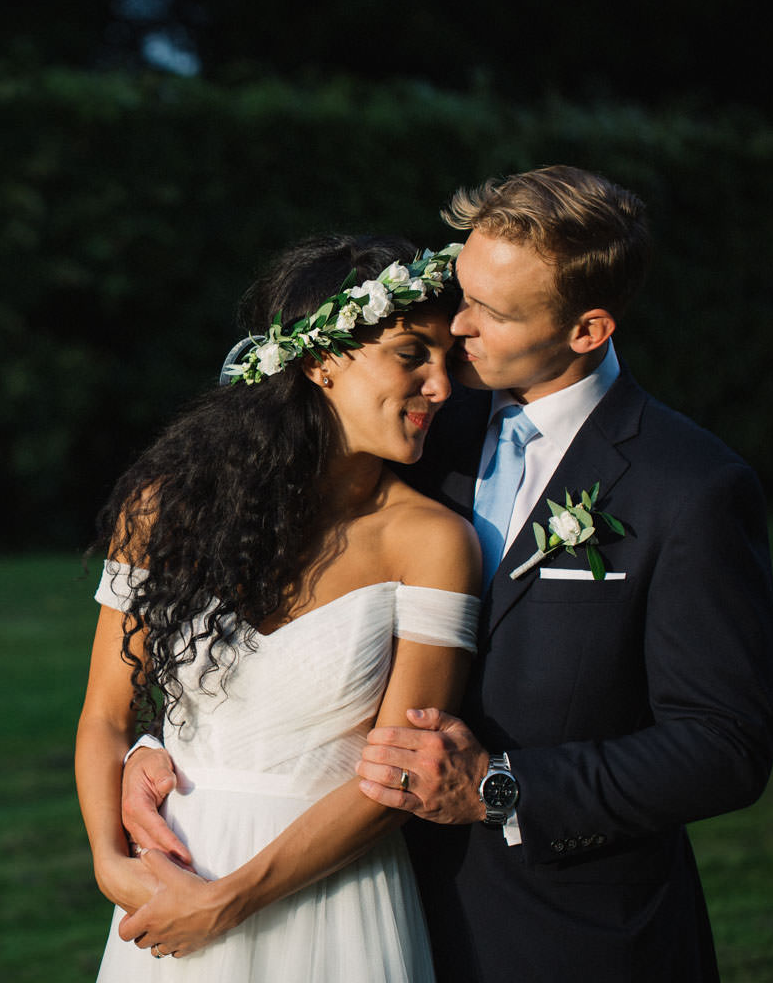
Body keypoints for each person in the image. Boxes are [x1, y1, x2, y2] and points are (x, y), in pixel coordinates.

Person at [119, 166, 773, 981]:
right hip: (359, 900)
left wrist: (503, 788)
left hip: (566, 934)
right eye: (461, 288)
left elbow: (723, 747)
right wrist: (169, 742)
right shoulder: (417, 422)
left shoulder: (689, 487)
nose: (456, 323)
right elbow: (275, 594)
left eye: (492, 313)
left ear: (587, 330)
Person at [75, 233, 481, 981]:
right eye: (411, 353)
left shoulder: (432, 542)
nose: (443, 386)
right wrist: (110, 862)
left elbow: (395, 778)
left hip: (335, 898)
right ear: (323, 359)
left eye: (447, 358)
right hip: (172, 883)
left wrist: (227, 902)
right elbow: (106, 713)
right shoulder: (164, 507)